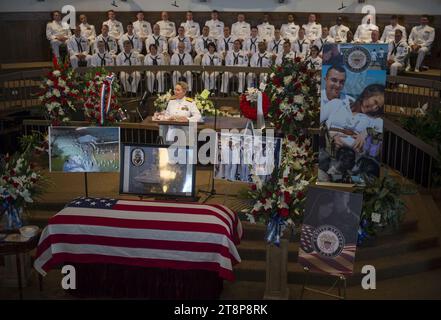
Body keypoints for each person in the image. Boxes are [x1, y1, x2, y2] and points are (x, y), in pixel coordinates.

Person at [324, 84, 384, 152]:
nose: (374, 108)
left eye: (378, 107)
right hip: (328, 152)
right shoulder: (338, 104)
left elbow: (375, 148)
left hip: (352, 158)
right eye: (375, 102)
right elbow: (319, 123)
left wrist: (366, 133)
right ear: (367, 94)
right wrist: (331, 137)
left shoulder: (373, 120)